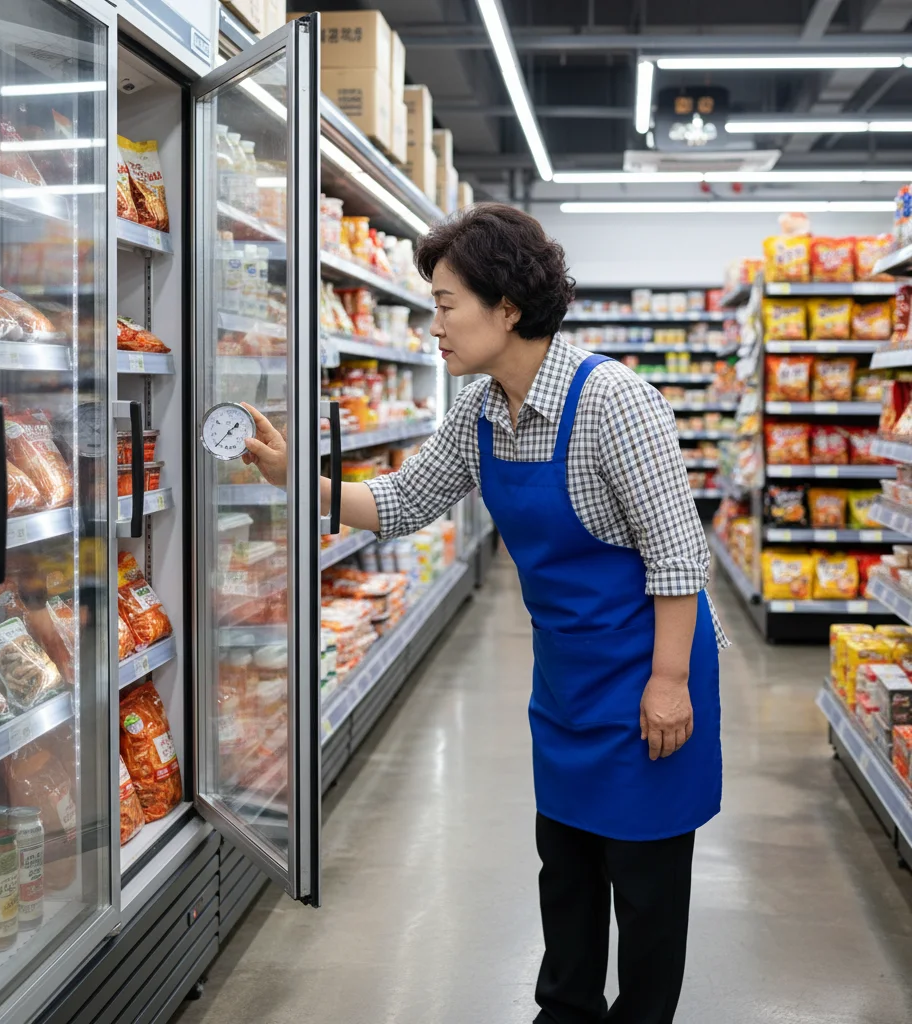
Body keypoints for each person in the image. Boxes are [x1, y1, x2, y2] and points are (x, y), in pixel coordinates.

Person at [241, 203, 728, 1024]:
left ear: (506, 308)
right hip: (570, 678)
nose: (434, 325)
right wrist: (299, 476)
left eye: (444, 304)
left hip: (652, 666)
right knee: (565, 866)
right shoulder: (479, 410)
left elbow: (680, 554)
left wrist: (670, 681)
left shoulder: (614, 403)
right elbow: (401, 502)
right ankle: (563, 1012)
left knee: (644, 888)